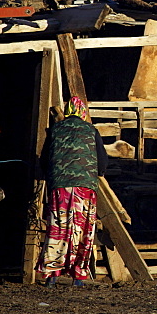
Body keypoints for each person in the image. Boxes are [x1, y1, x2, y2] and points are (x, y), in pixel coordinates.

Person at [36, 96, 107, 287]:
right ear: (83, 112)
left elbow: (44, 160)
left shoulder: (54, 130)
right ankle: (78, 276)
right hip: (85, 188)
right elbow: (102, 163)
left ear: (68, 111)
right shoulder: (92, 130)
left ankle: (53, 274)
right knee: (83, 230)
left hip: (61, 188)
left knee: (58, 228)